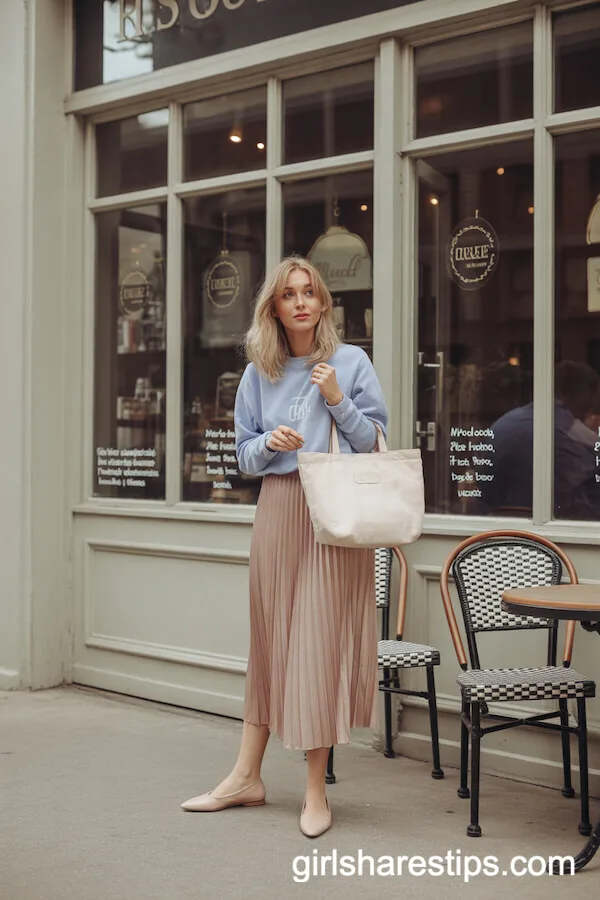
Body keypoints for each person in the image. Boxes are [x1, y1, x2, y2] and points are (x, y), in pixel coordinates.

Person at [180, 255, 388, 837]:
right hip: (277, 507)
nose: (300, 302)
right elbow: (243, 457)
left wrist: (338, 398)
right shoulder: (258, 372)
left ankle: (316, 791)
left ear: (323, 302)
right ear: (274, 306)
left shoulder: (350, 361)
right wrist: (270, 442)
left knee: (316, 643)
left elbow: (374, 444)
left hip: (331, 513)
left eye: (310, 292)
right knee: (271, 639)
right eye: (288, 294)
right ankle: (246, 776)